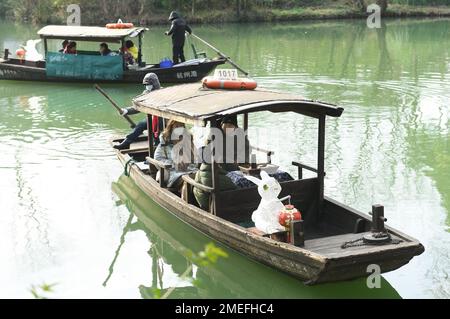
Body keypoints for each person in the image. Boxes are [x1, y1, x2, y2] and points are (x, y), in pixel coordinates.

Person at [113, 73, 163, 150]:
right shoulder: (146, 93)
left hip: (163, 120)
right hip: (151, 118)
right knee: (140, 125)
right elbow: (138, 107)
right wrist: (126, 110)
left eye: (149, 84)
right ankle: (126, 142)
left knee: (156, 135)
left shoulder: (163, 92)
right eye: (146, 84)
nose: (147, 86)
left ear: (155, 83)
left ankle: (156, 148)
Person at [154, 120, 197, 190]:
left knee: (201, 178)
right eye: (176, 126)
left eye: (181, 126)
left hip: (191, 170)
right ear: (171, 128)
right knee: (189, 181)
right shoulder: (165, 143)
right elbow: (158, 158)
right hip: (174, 173)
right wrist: (174, 164)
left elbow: (195, 159)